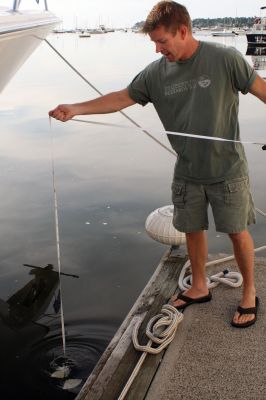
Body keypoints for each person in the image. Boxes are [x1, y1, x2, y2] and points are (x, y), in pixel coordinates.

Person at [49, 1, 266, 328]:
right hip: (187, 170)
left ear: (183, 31)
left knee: (237, 232)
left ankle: (249, 293)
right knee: (192, 230)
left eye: (162, 41)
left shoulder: (225, 59)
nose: (157, 48)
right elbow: (120, 97)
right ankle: (198, 286)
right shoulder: (156, 72)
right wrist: (76, 108)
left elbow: (262, 91)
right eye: (154, 42)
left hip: (227, 170)